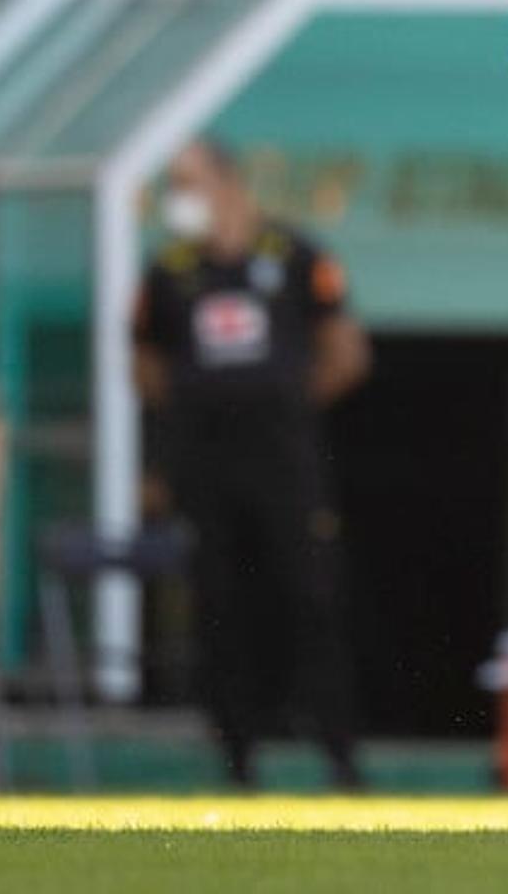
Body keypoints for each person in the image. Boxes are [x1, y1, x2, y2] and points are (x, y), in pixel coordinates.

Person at [132, 139, 372, 788]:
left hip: (285, 466)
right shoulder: (169, 273)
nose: (179, 200)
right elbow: (145, 364)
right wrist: (187, 422)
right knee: (218, 607)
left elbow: (347, 352)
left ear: (227, 184)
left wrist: (286, 405)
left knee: (310, 600)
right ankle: (238, 759)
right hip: (206, 469)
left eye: (189, 183)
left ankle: (338, 755)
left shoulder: (294, 256)